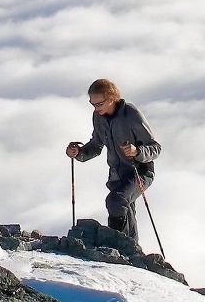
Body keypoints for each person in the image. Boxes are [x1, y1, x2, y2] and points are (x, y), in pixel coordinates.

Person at [66, 79, 161, 243]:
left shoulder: (131, 114)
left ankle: (117, 246)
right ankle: (131, 253)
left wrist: (136, 151)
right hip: (117, 176)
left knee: (116, 201)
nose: (96, 108)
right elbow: (96, 145)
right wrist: (78, 153)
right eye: (93, 104)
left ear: (112, 98)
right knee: (124, 208)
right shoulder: (98, 117)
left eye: (100, 103)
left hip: (140, 172)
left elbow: (155, 147)